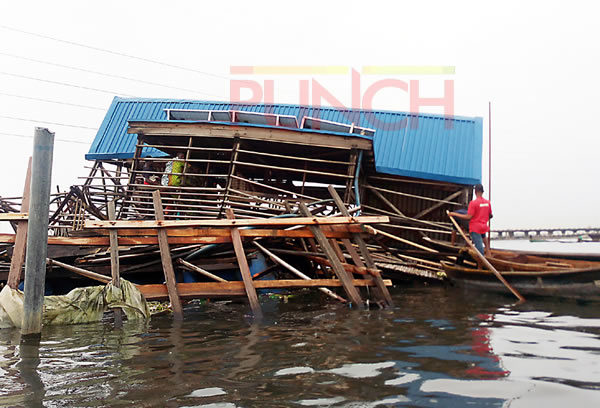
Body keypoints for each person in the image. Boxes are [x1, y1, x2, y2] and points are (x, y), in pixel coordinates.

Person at [449, 183, 492, 254]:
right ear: (482, 191)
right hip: (483, 226)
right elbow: (490, 214)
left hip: (475, 228)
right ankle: (488, 252)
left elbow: (468, 217)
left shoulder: (473, 203)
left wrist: (454, 214)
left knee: (479, 250)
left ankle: (482, 263)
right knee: (483, 239)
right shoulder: (488, 203)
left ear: (475, 192)